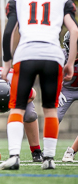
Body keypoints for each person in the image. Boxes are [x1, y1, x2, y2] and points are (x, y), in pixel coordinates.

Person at [0, 0, 78, 170]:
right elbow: (74, 31)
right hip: (52, 56)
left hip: (25, 55)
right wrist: (70, 62)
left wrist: (6, 63)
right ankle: (49, 158)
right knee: (50, 109)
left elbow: (9, 31)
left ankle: (14, 156)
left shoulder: (18, 1)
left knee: (17, 108)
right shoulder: (62, 1)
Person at [57, 31, 78, 162]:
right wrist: (56, 92)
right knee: (54, 117)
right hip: (65, 90)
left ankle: (71, 151)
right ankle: (46, 150)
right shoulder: (61, 55)